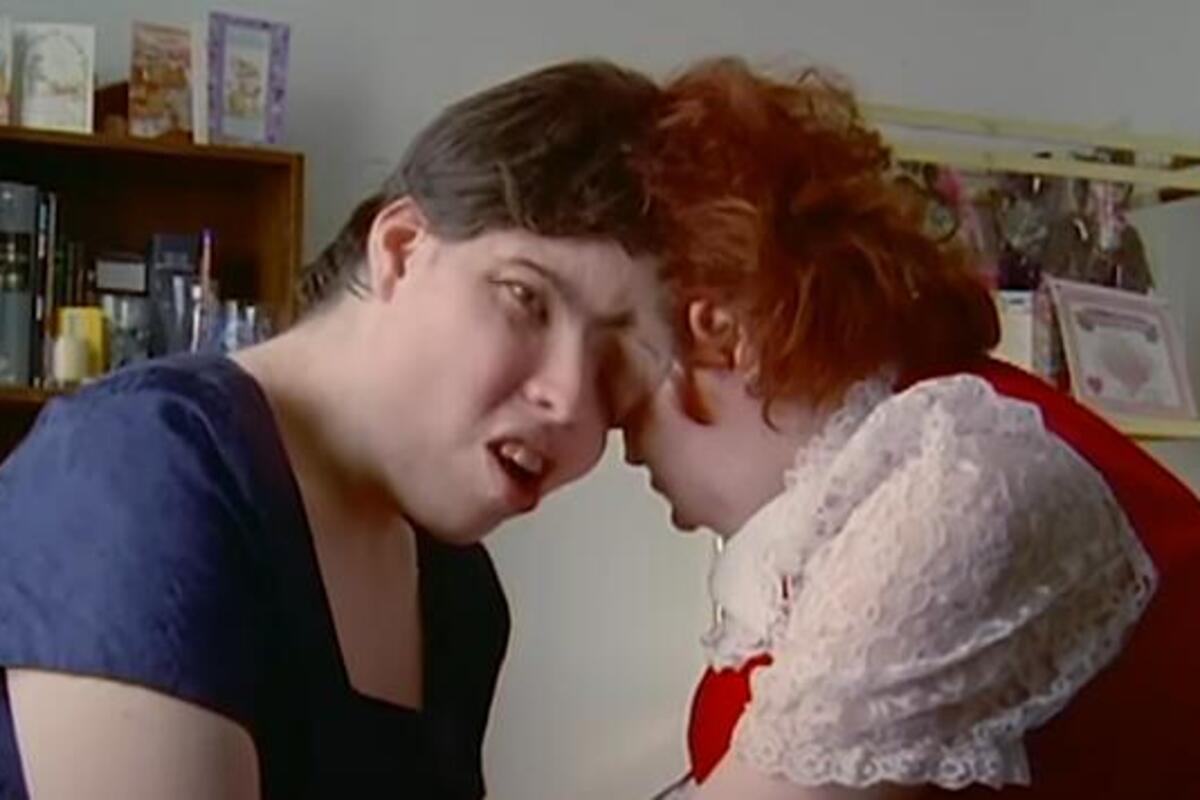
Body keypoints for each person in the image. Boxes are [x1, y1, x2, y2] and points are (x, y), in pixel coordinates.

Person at [0, 60, 672, 799]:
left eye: (617, 365)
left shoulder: (459, 591)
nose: (570, 399)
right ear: (402, 249)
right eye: (525, 298)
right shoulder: (144, 470)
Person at [625, 59, 1200, 799]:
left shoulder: (967, 477)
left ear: (724, 335)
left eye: (621, 375)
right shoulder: (858, 502)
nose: (624, 441)